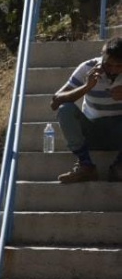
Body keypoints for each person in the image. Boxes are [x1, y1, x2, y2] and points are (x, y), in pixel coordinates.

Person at [50, 36, 122, 183]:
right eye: (109, 65)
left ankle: (119, 167)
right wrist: (86, 87)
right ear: (103, 58)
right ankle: (86, 166)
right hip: (92, 130)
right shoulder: (88, 68)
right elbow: (55, 101)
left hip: (118, 132)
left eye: (119, 66)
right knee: (65, 109)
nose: (113, 70)